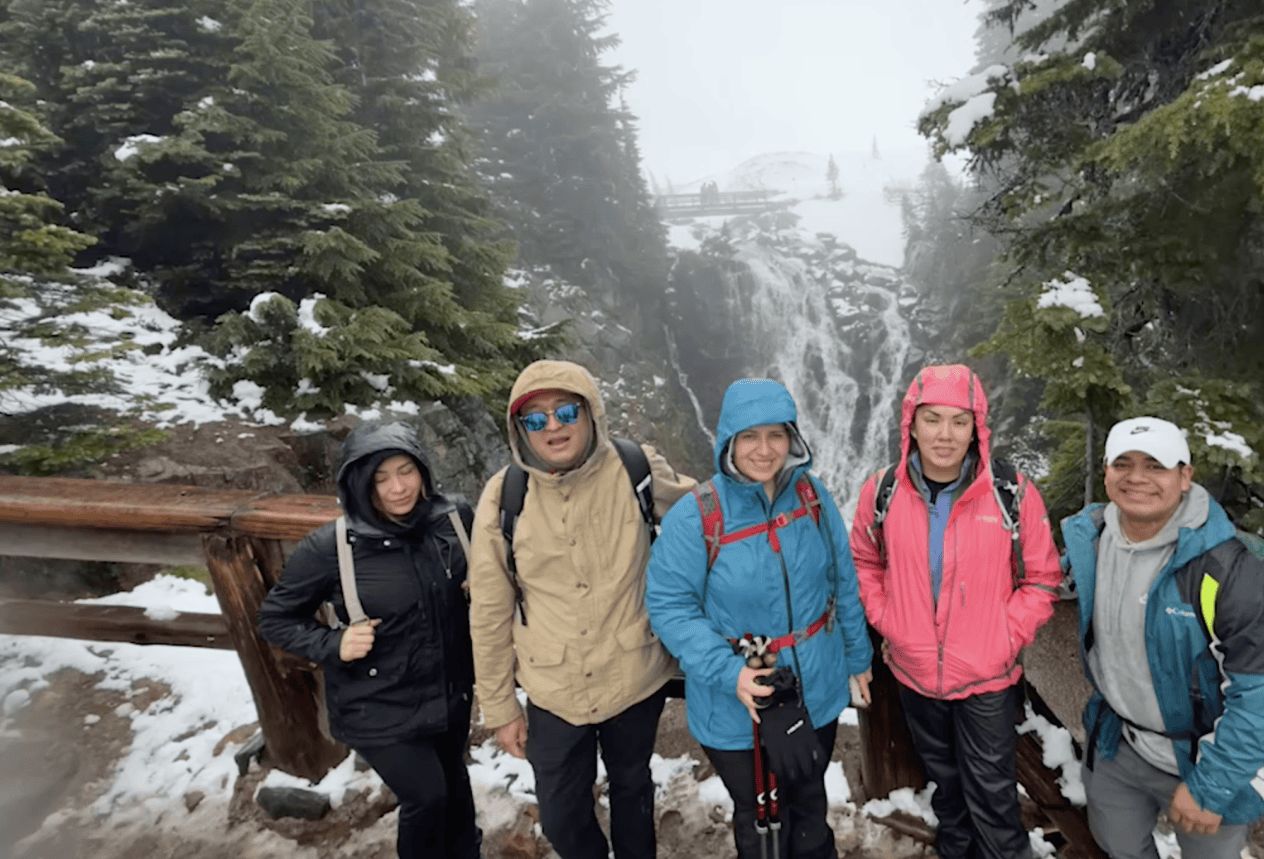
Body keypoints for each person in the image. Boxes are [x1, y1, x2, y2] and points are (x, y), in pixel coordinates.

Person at [468, 359, 694, 859]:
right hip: (552, 685)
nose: (553, 427)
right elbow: (488, 606)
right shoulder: (505, 495)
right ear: (519, 429)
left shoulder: (637, 468)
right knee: (562, 813)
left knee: (633, 790)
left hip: (633, 670)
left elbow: (706, 519)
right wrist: (500, 706)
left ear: (592, 414)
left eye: (566, 412)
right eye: (535, 418)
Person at [646, 379, 872, 859]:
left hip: (816, 686)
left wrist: (858, 656)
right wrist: (732, 674)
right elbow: (668, 604)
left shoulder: (812, 496)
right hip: (735, 703)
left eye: (776, 434)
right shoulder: (698, 516)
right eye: (749, 436)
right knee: (760, 819)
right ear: (728, 439)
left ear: (793, 438)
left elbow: (842, 579)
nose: (764, 449)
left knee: (810, 805)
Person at [1059, 416, 1264, 859]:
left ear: (1185, 476)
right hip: (1120, 741)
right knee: (1118, 846)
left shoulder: (1230, 570)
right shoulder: (1089, 539)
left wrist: (1212, 787)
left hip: (1203, 756)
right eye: (1123, 463)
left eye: (1155, 466)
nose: (1137, 478)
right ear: (1106, 472)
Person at [849, 364, 1062, 859]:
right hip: (915, 670)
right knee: (945, 786)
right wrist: (889, 620)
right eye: (932, 419)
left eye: (959, 421)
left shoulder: (1012, 494)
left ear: (977, 427)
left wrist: (1004, 636)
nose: (945, 435)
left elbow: (1043, 578)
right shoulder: (881, 491)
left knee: (993, 792)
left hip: (987, 677)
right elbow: (862, 560)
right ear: (911, 424)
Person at [259, 421, 480, 859]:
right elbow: (276, 618)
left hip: (448, 692)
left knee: (455, 790)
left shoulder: (454, 519)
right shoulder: (333, 545)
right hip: (377, 701)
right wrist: (332, 644)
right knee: (428, 797)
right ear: (359, 483)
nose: (397, 488)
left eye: (406, 471)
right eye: (380, 478)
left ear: (423, 471)